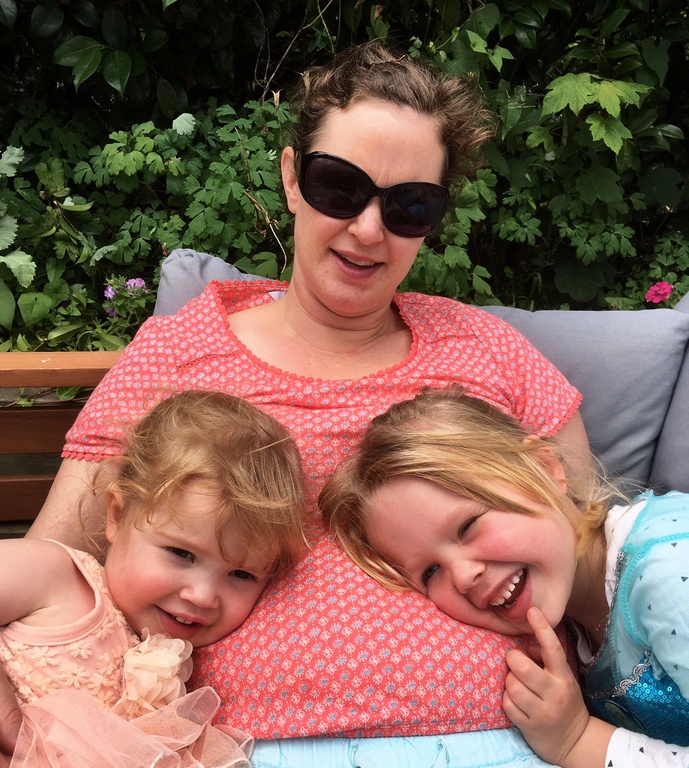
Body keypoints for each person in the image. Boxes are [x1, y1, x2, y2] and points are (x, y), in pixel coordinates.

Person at [24, 41, 592, 767]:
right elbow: (62, 557)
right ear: (292, 178)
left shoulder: (489, 348)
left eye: (410, 205)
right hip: (238, 749)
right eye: (339, 187)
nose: (368, 229)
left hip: (508, 741)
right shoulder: (179, 350)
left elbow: (590, 545)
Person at [321, 386, 689, 768]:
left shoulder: (668, 569)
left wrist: (576, 740)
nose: (463, 576)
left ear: (544, 469)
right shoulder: (577, 618)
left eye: (467, 525)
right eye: (430, 572)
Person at [0, 390, 306, 767]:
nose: (203, 595)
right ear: (117, 514)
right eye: (181, 553)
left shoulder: (177, 673)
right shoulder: (58, 575)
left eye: (241, 574)